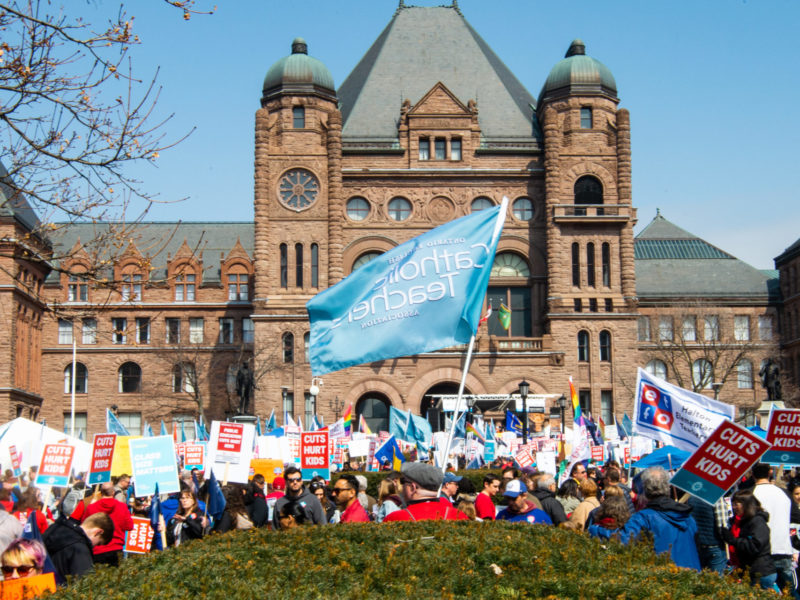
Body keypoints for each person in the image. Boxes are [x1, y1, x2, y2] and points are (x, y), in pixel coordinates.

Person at [588, 466, 700, 571]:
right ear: (667, 487)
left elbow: (622, 540)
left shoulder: (644, 518)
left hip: (665, 578)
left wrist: (596, 530)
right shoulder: (688, 518)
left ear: (645, 490)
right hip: (692, 576)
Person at [720, 491, 778, 591]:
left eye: (736, 504)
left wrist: (733, 540)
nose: (733, 507)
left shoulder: (757, 521)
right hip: (748, 570)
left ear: (746, 504)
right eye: (732, 504)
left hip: (761, 572)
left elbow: (755, 546)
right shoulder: (742, 521)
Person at [751, 463, 794, 594]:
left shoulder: (750, 495)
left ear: (752, 475)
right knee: (791, 592)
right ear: (770, 472)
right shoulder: (784, 493)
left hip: (762, 552)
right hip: (783, 548)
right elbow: (796, 516)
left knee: (761, 593)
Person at [43, 512, 113, 583]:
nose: (95, 547)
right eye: (98, 543)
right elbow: (84, 585)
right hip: (59, 590)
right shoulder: (80, 550)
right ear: (98, 532)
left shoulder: (54, 529)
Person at [384, 463, 468, 522]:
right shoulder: (459, 516)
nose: (401, 486)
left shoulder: (394, 519)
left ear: (413, 487)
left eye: (403, 482)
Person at [82, 481, 134, 566]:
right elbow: (129, 526)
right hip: (116, 549)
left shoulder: (92, 508)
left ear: (101, 492)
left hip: (97, 550)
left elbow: (84, 527)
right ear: (113, 492)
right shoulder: (122, 506)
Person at [688, 494, 728, 575]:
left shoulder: (691, 498)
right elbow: (722, 527)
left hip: (699, 546)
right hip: (715, 545)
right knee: (717, 583)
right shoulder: (716, 497)